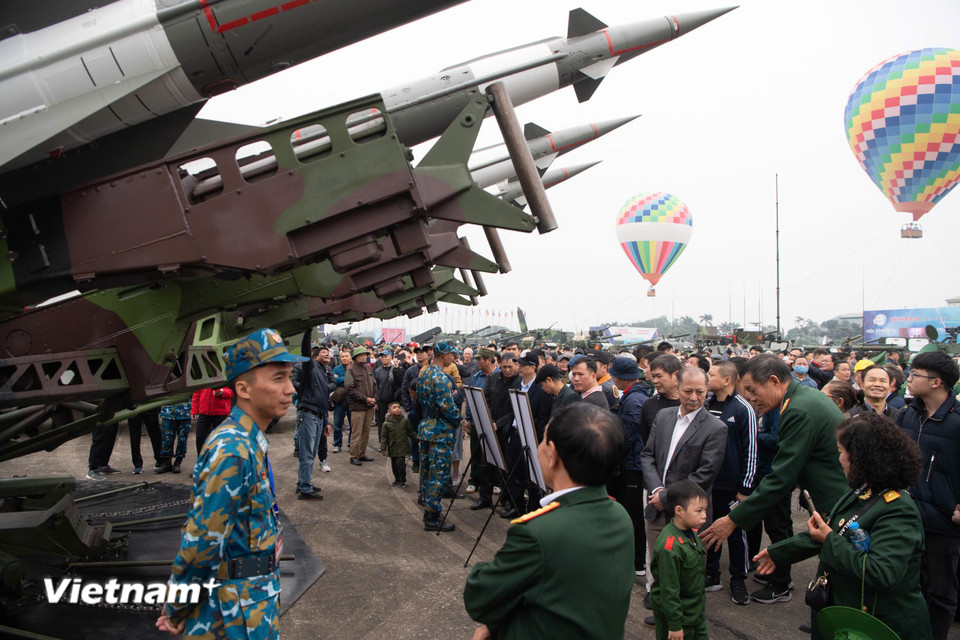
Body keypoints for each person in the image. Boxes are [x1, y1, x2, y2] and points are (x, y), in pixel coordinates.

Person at [155, 328, 305, 639]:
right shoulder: (231, 449)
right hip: (231, 614)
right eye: (278, 378)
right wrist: (176, 609)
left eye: (290, 377)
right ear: (243, 389)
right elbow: (202, 543)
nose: (290, 389)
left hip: (251, 599)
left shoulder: (249, 441)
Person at [463, 403, 634, 640]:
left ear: (552, 455)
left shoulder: (538, 532)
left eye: (542, 441)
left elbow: (480, 597)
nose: (538, 449)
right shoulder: (619, 516)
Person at [756, 412, 931, 640]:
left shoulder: (898, 509)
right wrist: (778, 552)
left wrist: (829, 539)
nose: (839, 460)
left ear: (861, 458)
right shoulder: (862, 491)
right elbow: (831, 531)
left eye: (841, 452)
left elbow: (881, 573)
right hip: (848, 618)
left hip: (878, 626)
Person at [700, 354, 849, 605]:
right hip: (833, 497)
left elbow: (781, 478)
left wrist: (733, 519)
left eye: (752, 389)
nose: (749, 397)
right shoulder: (801, 400)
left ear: (774, 381)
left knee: (838, 569)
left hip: (834, 500)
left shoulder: (798, 410)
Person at [640, 366, 727, 605]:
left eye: (700, 391)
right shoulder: (664, 416)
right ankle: (659, 606)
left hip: (687, 513)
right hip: (656, 507)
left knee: (684, 572)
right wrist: (657, 490)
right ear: (677, 389)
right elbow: (648, 456)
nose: (694, 397)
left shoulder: (715, 428)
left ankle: (680, 619)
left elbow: (704, 475)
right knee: (657, 561)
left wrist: (667, 496)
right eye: (688, 391)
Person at [896, 350, 960, 639]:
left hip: (943, 522)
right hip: (907, 517)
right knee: (908, 588)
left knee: (940, 593)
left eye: (916, 374)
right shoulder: (910, 414)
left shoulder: (957, 422)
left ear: (937, 382)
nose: (909, 379)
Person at [704, 360, 758, 605]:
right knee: (710, 530)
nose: (707, 376)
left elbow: (751, 451)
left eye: (712, 374)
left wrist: (745, 488)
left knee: (736, 533)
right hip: (708, 484)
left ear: (727, 380)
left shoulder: (742, 409)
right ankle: (711, 574)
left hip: (733, 487)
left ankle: (738, 578)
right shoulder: (706, 405)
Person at [650, 480, 710, 640]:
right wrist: (675, 626)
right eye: (698, 510)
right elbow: (669, 590)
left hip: (694, 614)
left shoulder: (690, 533)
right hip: (678, 621)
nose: (704, 515)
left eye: (705, 509)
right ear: (679, 510)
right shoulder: (670, 547)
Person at [608, 356, 650, 579]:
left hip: (634, 465)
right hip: (632, 462)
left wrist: (617, 460)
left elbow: (628, 437)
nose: (612, 378)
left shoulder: (634, 401)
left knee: (634, 515)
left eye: (614, 375)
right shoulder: (634, 396)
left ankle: (637, 561)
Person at [416, 340, 461, 532]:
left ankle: (428, 507)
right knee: (439, 475)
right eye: (452, 354)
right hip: (440, 432)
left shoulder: (424, 373)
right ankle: (432, 517)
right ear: (444, 355)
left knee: (426, 472)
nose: (454, 357)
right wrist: (457, 419)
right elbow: (448, 407)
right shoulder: (441, 378)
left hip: (426, 427)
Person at [293, 333, 333, 500]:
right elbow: (304, 351)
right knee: (307, 453)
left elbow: (323, 399)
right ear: (314, 357)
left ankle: (304, 482)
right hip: (308, 415)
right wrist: (308, 330)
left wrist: (325, 421)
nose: (327, 354)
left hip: (317, 416)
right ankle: (304, 488)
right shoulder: (310, 368)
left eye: (328, 353)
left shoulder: (324, 373)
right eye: (322, 352)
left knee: (311, 452)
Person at [465, 347, 499, 509]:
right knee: (476, 451)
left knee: (492, 454)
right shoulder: (476, 377)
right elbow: (470, 398)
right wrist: (468, 418)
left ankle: (495, 482)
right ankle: (474, 480)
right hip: (477, 421)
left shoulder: (499, 376)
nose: (477, 362)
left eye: (480, 359)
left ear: (489, 360)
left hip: (493, 423)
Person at [640, 354, 683, 446]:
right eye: (653, 376)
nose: (655, 381)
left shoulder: (689, 403)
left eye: (659, 376)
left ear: (676, 375)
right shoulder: (649, 405)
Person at [346, 346, 378, 466]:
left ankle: (361, 453)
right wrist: (366, 399)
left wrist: (375, 398)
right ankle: (353, 455)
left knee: (366, 432)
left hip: (369, 406)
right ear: (355, 357)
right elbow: (350, 389)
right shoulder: (351, 370)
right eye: (361, 355)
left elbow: (374, 384)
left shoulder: (368, 369)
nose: (364, 357)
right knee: (357, 433)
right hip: (358, 407)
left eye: (365, 355)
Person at [381, 401, 415, 488]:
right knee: (394, 464)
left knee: (400, 464)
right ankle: (397, 479)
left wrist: (418, 438)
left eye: (399, 407)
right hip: (393, 447)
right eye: (394, 407)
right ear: (389, 411)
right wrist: (383, 448)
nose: (397, 409)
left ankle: (402, 480)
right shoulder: (386, 424)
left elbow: (410, 432)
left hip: (402, 447)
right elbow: (384, 437)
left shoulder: (405, 420)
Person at [191, 386, 233, 454]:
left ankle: (219, 462)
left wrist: (222, 392)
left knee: (221, 440)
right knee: (200, 439)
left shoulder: (225, 377)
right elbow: (196, 392)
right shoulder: (203, 377)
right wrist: (194, 410)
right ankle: (202, 461)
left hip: (221, 413)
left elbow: (232, 392)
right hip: (204, 412)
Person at [156, 400, 192, 474]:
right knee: (166, 438)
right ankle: (167, 462)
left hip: (184, 412)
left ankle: (178, 462)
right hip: (168, 412)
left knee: (182, 439)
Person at [331, 349, 352, 453]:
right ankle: (337, 444)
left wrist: (341, 379)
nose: (344, 358)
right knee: (337, 423)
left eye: (346, 356)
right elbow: (334, 380)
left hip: (352, 399)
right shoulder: (336, 369)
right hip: (340, 400)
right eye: (342, 356)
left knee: (353, 424)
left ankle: (351, 444)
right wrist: (347, 379)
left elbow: (355, 382)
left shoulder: (354, 368)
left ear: (350, 357)